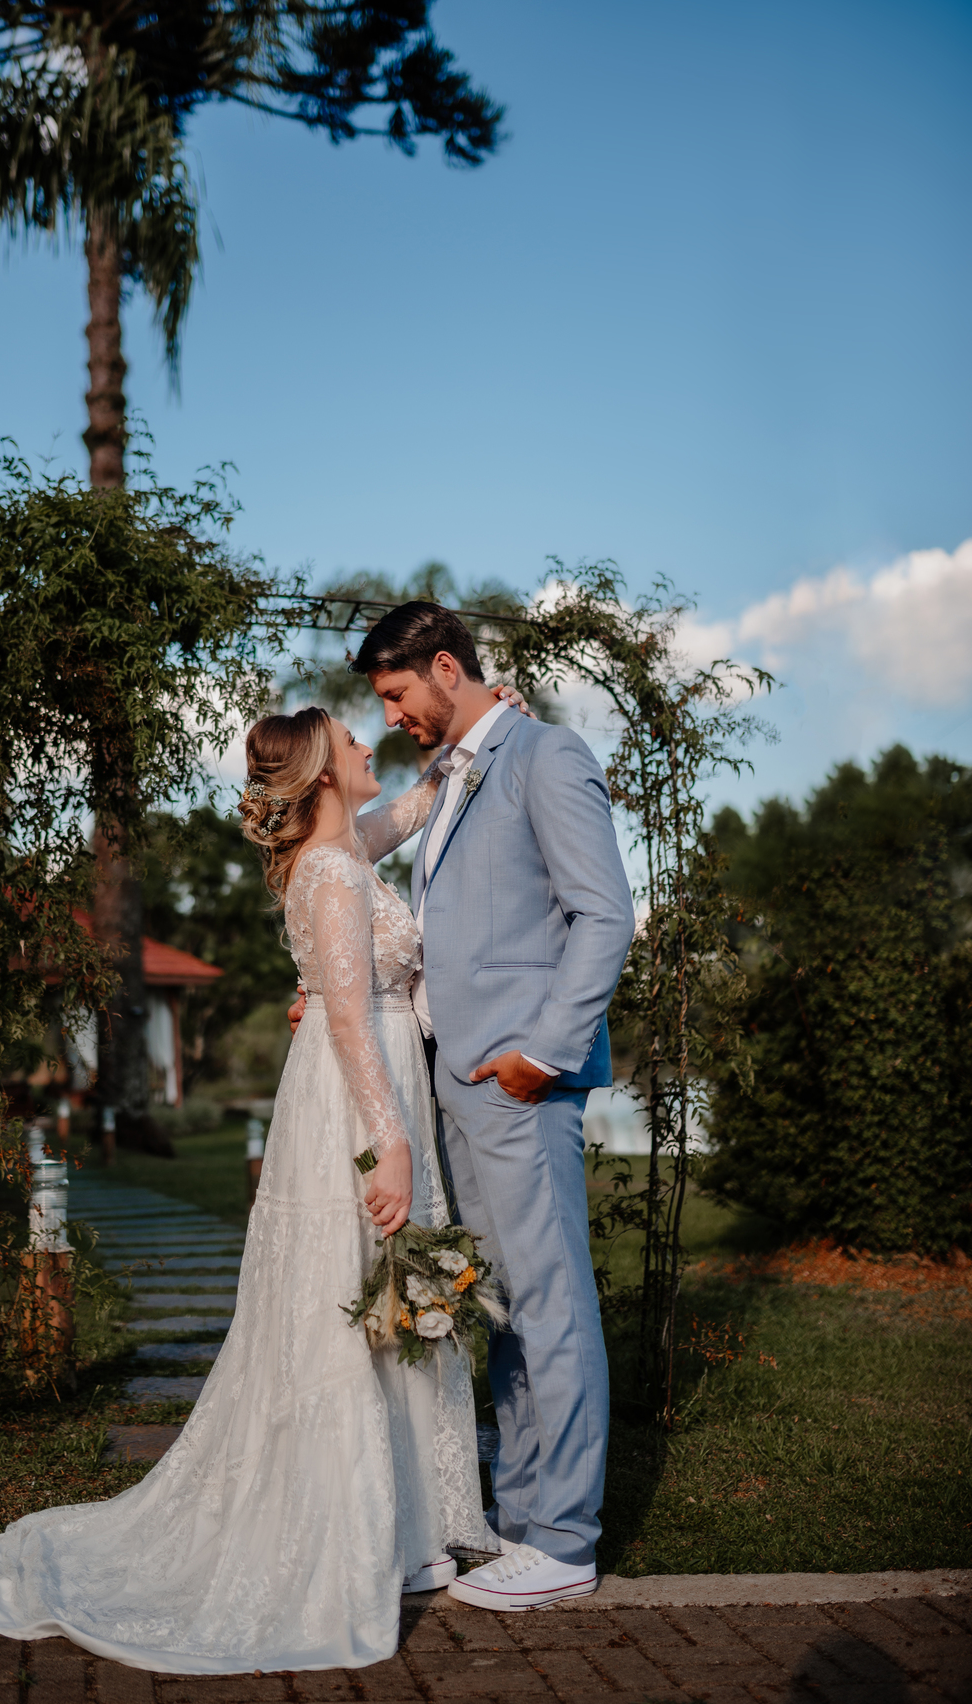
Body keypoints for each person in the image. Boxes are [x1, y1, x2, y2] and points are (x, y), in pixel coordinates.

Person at [0, 692, 526, 1675]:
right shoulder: (330, 871)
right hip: (361, 1094)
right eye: (352, 739)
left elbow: (409, 810)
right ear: (322, 771)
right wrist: (391, 1142)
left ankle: (410, 1525)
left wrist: (473, 741)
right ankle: (369, 1532)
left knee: (390, 1290)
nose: (368, 743)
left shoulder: (342, 849)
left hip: (371, 1077)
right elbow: (347, 1017)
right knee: (355, 1294)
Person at [341, 600, 635, 1610]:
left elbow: (604, 916)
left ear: (445, 667)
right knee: (502, 1304)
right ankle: (519, 1518)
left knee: (551, 1301)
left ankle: (567, 1540)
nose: (391, 717)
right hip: (455, 1081)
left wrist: (540, 1056)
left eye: (397, 694)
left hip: (519, 1083)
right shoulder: (455, 774)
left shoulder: (546, 756)